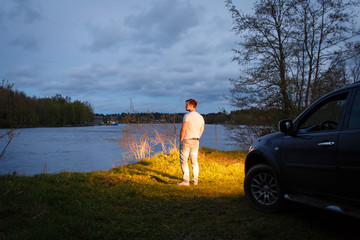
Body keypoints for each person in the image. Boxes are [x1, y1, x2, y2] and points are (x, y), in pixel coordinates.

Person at [177, 99, 205, 186]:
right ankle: (195, 180)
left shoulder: (187, 116)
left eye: (187, 104)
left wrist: (181, 139)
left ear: (192, 106)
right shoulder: (200, 117)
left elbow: (183, 129)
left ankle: (186, 181)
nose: (185, 106)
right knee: (194, 161)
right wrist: (197, 137)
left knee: (184, 160)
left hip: (186, 140)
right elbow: (202, 129)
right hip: (196, 140)